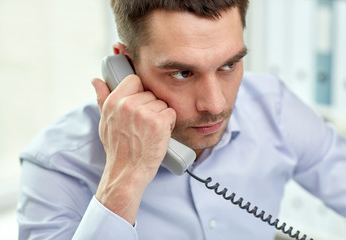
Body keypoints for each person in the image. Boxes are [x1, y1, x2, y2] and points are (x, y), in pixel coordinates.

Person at [17, 0, 346, 239]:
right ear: (125, 67)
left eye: (228, 65)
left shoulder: (272, 107)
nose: (215, 104)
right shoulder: (56, 163)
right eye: (182, 72)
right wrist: (125, 177)